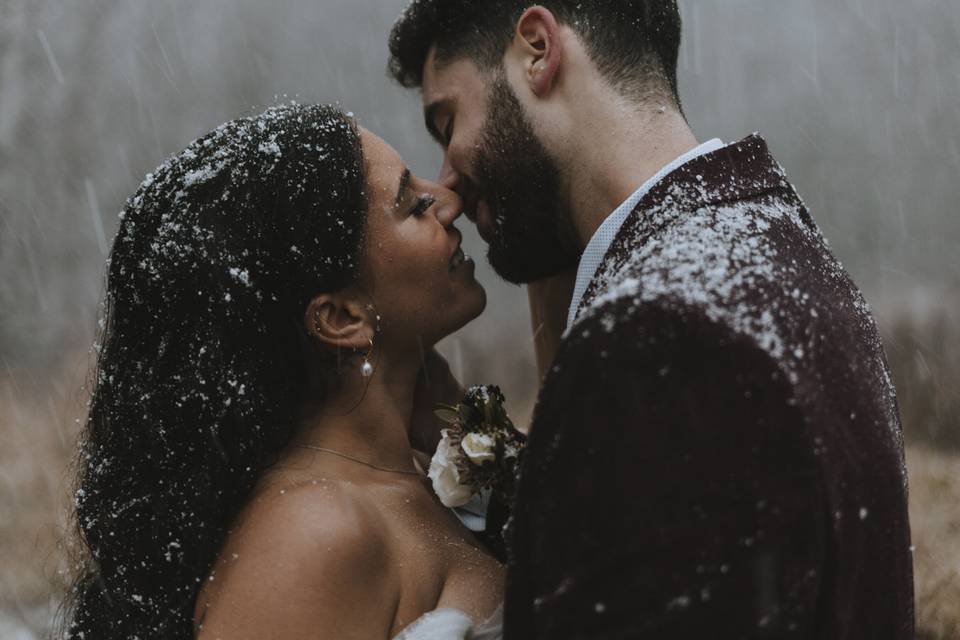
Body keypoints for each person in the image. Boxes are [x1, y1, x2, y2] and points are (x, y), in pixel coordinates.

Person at [388, 1, 915, 638]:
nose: (446, 180)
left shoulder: (659, 338)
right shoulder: (768, 246)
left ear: (537, 48)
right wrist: (471, 448)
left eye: (447, 123)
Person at [63, 104, 505, 639]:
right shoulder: (316, 534)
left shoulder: (422, 471)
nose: (451, 201)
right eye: (412, 206)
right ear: (341, 318)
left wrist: (476, 442)